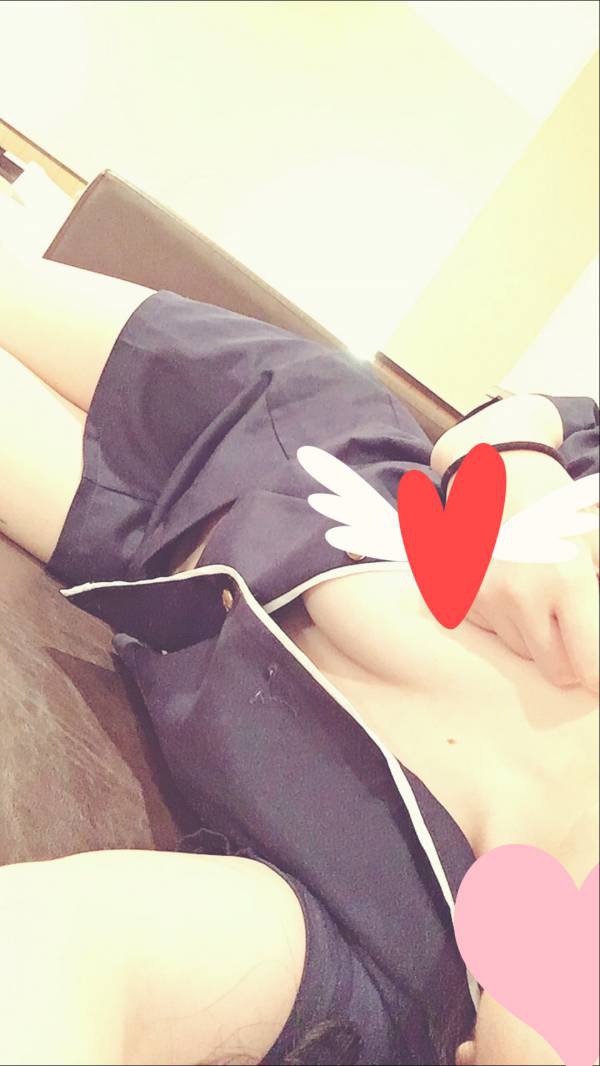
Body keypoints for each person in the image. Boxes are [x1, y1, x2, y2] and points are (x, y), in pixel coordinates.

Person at [0, 242, 598, 1066]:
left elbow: (66, 954)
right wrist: (523, 476)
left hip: (137, 538)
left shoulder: (388, 989)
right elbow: (524, 418)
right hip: (292, 415)